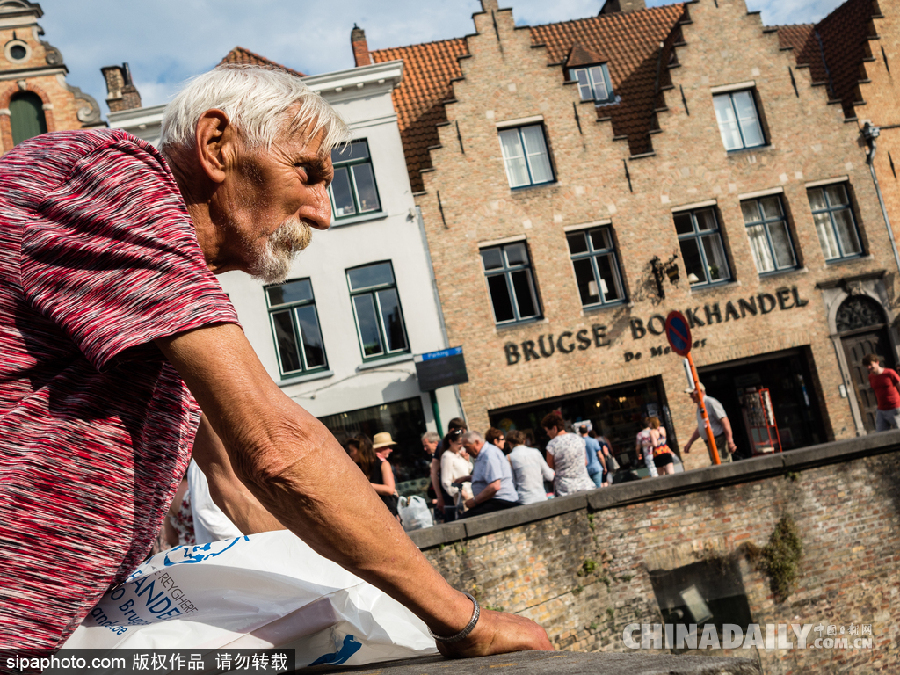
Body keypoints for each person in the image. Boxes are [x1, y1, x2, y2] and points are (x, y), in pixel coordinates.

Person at [0, 64, 550, 654]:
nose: (323, 212)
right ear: (217, 146)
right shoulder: (105, 179)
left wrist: (356, 608)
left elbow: (233, 483)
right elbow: (275, 444)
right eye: (308, 173)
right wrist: (461, 621)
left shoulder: (161, 294)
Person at [459, 431, 519, 517]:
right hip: (493, 500)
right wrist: (467, 478)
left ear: (477, 442)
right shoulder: (482, 455)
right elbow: (486, 477)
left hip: (501, 500)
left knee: (464, 519)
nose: (466, 451)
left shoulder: (489, 455)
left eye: (467, 447)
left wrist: (475, 501)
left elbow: (495, 486)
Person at [541, 413, 595, 497]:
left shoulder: (552, 444)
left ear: (554, 428)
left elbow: (550, 467)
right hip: (585, 485)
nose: (547, 434)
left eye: (547, 431)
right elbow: (585, 462)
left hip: (565, 489)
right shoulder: (578, 438)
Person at [683, 383, 737, 464]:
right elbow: (702, 426)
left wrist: (730, 440)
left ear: (699, 391)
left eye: (692, 393)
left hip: (718, 441)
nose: (691, 396)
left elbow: (724, 420)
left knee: (722, 465)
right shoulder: (700, 406)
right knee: (717, 465)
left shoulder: (710, 402)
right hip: (711, 443)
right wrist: (691, 441)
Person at [349, 434, 400, 518]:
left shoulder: (382, 464)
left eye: (351, 450)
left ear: (360, 450)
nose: (349, 454)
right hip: (368, 515)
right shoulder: (354, 467)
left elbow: (390, 489)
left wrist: (364, 484)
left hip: (387, 515)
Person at [506, 430, 554, 505]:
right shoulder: (536, 452)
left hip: (524, 499)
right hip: (541, 497)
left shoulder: (509, 458)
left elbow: (512, 483)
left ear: (509, 442)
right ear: (524, 441)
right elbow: (549, 476)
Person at [440, 428, 474, 520]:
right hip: (463, 497)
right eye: (459, 443)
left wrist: (467, 460)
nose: (461, 446)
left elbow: (467, 471)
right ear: (451, 442)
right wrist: (459, 492)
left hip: (472, 493)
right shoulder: (447, 457)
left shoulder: (460, 453)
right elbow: (446, 481)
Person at [863, 353, 900, 431]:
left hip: (895, 408)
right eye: (867, 366)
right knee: (880, 434)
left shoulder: (889, 373)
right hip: (881, 409)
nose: (869, 367)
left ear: (877, 362)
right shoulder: (871, 377)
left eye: (870, 364)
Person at [421, 431, 443, 519]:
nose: (425, 449)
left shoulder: (443, 457)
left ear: (435, 443)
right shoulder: (435, 458)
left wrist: (439, 497)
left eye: (426, 445)